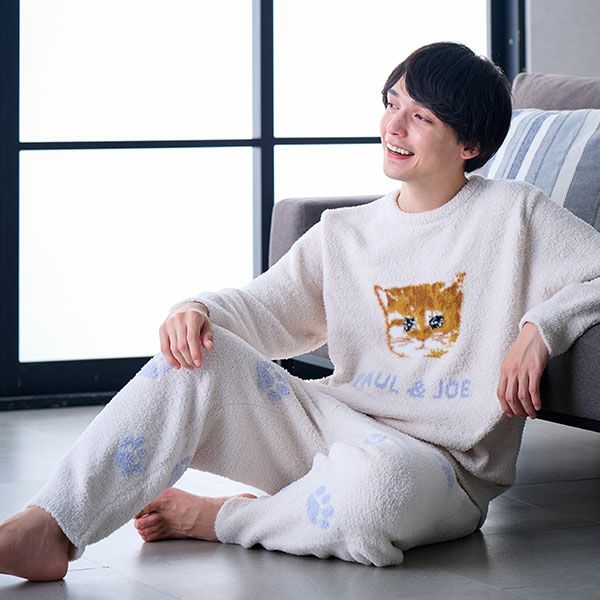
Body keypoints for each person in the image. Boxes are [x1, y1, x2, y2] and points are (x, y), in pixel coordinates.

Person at [2, 41, 600, 581]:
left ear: (469, 145)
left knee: (377, 490)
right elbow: (264, 308)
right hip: (335, 426)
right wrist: (196, 308)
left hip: (440, 466)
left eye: (421, 117)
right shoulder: (344, 233)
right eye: (393, 103)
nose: (394, 126)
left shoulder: (514, 214)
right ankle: (51, 524)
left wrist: (540, 329)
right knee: (192, 360)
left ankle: (223, 519)